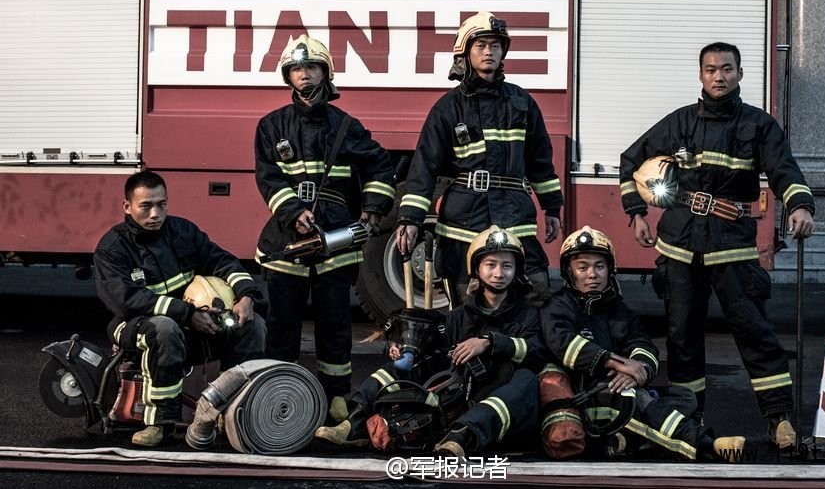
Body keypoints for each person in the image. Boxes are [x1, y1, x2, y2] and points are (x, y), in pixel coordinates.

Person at [619, 42, 815, 449]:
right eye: (711, 70)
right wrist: (637, 213)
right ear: (701, 75)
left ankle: (779, 419)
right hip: (678, 246)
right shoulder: (679, 123)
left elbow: (784, 170)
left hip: (732, 247)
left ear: (740, 74)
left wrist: (799, 205)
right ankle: (690, 421)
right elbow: (630, 160)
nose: (719, 76)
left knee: (755, 332)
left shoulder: (758, 125)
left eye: (727, 69)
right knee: (682, 339)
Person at [254, 34, 395, 423]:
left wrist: (373, 208)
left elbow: (380, 166)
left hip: (336, 240)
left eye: (312, 67)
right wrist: (292, 212)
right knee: (282, 326)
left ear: (325, 73)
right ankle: (277, 394)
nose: (304, 75)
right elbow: (267, 177)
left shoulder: (347, 127)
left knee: (335, 325)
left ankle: (336, 397)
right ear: (288, 76)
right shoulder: (271, 126)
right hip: (287, 241)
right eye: (296, 69)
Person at [315, 226, 546, 459]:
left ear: (516, 270)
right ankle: (353, 425)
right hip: (455, 397)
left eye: (507, 266)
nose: (498, 273)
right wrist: (399, 349)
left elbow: (537, 353)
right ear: (476, 269)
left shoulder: (527, 315)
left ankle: (461, 437)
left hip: (496, 399)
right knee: (403, 367)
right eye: (491, 264)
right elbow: (431, 350)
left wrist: (489, 342)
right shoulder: (459, 316)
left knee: (526, 379)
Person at [394, 11, 563, 306]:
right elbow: (425, 167)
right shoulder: (448, 108)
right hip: (463, 221)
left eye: (495, 46)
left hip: (515, 217)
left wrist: (552, 208)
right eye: (481, 45)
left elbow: (540, 161)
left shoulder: (522, 102)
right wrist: (410, 218)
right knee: (466, 303)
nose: (489, 52)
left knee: (534, 295)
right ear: (465, 52)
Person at [540, 226, 746, 461]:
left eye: (599, 266)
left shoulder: (618, 309)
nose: (592, 274)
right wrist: (617, 363)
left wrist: (637, 372)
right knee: (639, 401)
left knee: (684, 398)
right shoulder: (558, 306)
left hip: (618, 387)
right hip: (587, 396)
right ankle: (707, 444)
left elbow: (644, 345)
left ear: (610, 269)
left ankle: (622, 442)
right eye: (583, 267)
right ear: (569, 271)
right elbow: (563, 343)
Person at [93, 171, 266, 448]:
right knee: (164, 328)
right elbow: (125, 300)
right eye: (145, 206)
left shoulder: (183, 232)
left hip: (188, 324)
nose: (155, 214)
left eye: (161, 205)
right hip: (134, 325)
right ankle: (160, 423)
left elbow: (222, 260)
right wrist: (186, 314)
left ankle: (233, 411)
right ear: (127, 206)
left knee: (252, 325)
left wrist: (247, 295)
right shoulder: (113, 248)